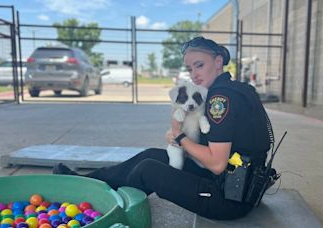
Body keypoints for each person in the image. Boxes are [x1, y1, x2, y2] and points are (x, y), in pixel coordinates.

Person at [53, 36, 272, 220]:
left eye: (200, 65)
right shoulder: (234, 89)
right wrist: (183, 139)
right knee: (151, 155)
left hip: (228, 200)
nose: (194, 74)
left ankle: (97, 204)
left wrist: (180, 136)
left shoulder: (220, 98)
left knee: (147, 170)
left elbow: (216, 163)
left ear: (218, 62)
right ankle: (84, 182)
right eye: (190, 68)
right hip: (238, 186)